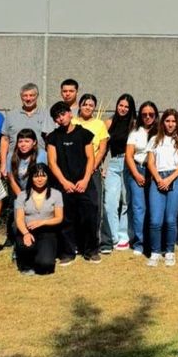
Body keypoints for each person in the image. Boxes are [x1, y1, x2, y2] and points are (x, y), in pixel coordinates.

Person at [46, 101, 98, 265]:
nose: (60, 119)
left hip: (84, 183)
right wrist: (64, 182)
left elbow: (91, 158)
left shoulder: (84, 134)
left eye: (62, 114)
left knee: (89, 216)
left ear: (70, 113)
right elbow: (52, 162)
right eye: (57, 117)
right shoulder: (53, 137)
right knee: (66, 219)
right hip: (63, 185)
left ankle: (91, 251)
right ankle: (67, 253)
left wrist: (85, 180)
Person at [145, 109, 178, 267]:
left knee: (170, 219)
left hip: (175, 179)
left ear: (177, 123)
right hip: (157, 178)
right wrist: (159, 179)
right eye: (167, 121)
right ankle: (155, 252)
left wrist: (169, 179)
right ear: (162, 122)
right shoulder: (154, 140)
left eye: (173, 121)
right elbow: (150, 162)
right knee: (155, 220)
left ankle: (169, 251)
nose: (170, 124)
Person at [72, 94, 110, 254]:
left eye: (91, 105)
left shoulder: (99, 124)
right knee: (75, 207)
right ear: (79, 106)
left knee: (95, 206)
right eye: (85, 104)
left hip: (93, 170)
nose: (88, 107)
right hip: (74, 170)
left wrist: (93, 166)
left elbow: (102, 149)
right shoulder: (72, 122)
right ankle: (77, 242)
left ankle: (98, 242)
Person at [14, 163, 64, 275]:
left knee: (45, 266)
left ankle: (43, 255)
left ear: (48, 177)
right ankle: (25, 264)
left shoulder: (56, 194)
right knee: (27, 247)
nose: (39, 179)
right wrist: (26, 233)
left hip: (47, 232)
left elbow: (59, 218)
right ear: (31, 178)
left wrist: (42, 222)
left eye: (43, 176)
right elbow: (19, 219)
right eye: (36, 176)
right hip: (26, 231)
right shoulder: (22, 196)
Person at [102, 93, 136, 254]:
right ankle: (113, 235)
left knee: (126, 200)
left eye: (126, 107)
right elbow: (103, 146)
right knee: (110, 201)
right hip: (114, 163)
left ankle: (124, 235)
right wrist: (103, 164)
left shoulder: (134, 124)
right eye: (120, 105)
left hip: (129, 163)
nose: (123, 109)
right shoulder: (109, 122)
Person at [0, 83, 53, 178]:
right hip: (15, 161)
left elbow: (51, 141)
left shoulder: (46, 115)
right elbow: (4, 139)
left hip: (38, 161)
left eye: (31, 95)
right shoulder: (11, 115)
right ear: (21, 97)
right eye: (25, 96)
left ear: (37, 96)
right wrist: (3, 164)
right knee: (15, 191)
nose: (28, 98)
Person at [126, 101, 159, 256]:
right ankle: (139, 243)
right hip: (138, 170)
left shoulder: (161, 132)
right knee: (139, 208)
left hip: (156, 172)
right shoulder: (135, 132)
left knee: (154, 208)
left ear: (156, 115)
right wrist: (136, 174)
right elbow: (129, 155)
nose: (147, 117)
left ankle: (153, 242)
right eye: (144, 114)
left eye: (151, 114)